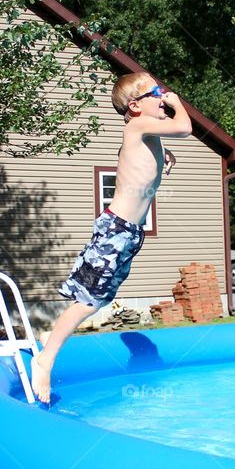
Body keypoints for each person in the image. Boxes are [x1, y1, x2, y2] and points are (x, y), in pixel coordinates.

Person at [30, 72, 192, 404]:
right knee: (87, 300)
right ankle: (44, 360)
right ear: (135, 106)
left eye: (164, 92)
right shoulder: (137, 126)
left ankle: (48, 352)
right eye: (157, 93)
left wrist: (164, 158)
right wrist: (177, 104)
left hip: (129, 234)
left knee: (98, 300)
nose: (164, 97)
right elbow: (185, 128)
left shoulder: (148, 133)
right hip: (115, 230)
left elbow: (149, 157)